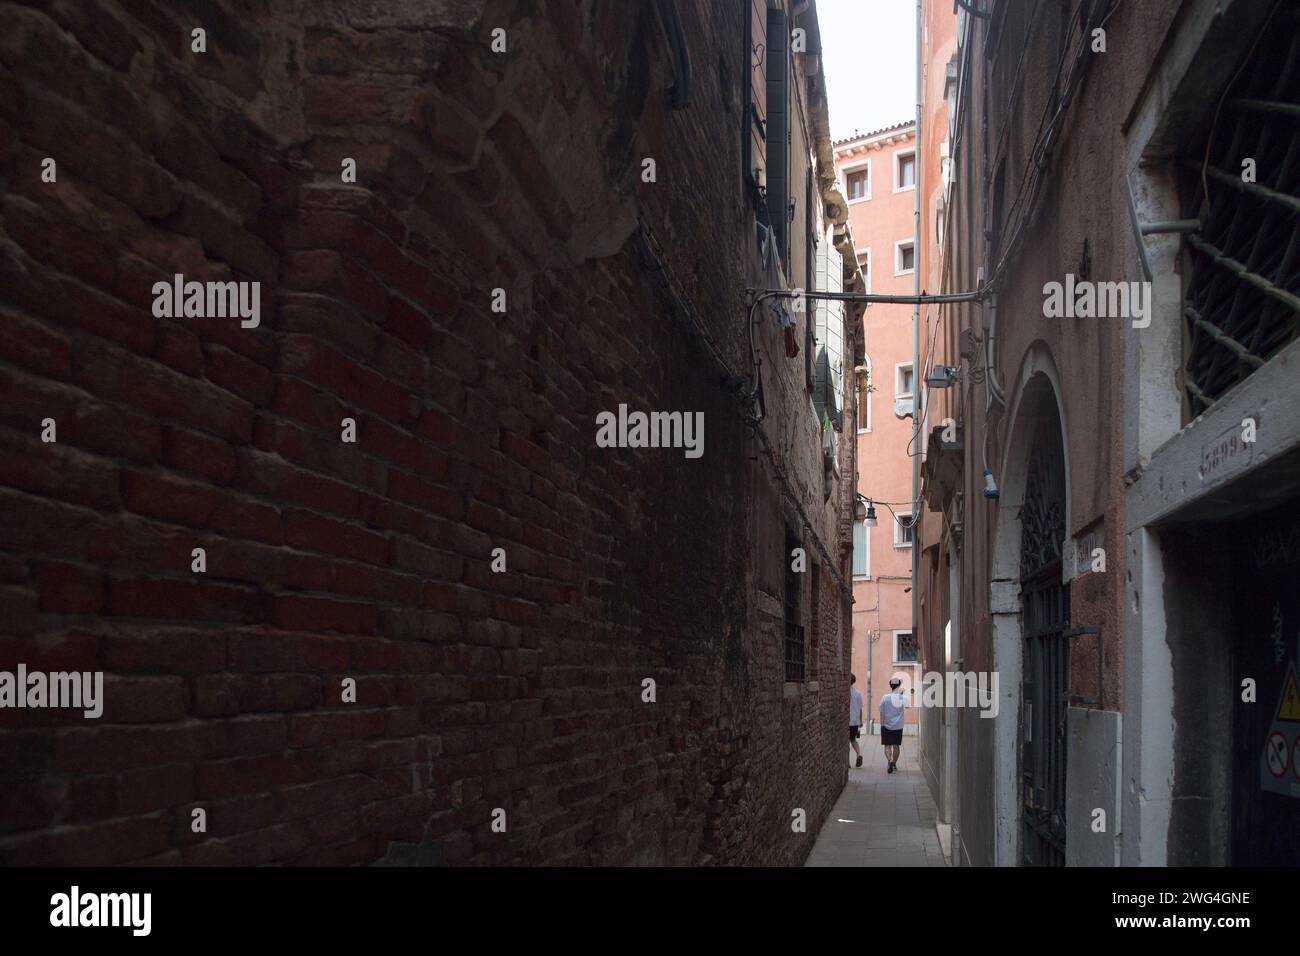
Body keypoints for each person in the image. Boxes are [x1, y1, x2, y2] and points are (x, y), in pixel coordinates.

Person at [879, 677, 907, 773]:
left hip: (886, 725)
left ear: (890, 686)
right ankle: (894, 763)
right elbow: (907, 706)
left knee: (887, 745)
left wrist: (882, 723)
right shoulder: (902, 697)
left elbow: (881, 710)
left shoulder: (885, 697)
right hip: (898, 726)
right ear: (899, 685)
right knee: (896, 746)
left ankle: (889, 761)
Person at [849, 674, 864, 768]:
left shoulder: (845, 693)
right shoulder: (857, 693)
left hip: (847, 720)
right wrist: (860, 721)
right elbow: (860, 708)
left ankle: (847, 763)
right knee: (853, 739)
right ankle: (859, 754)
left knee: (846, 741)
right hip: (855, 721)